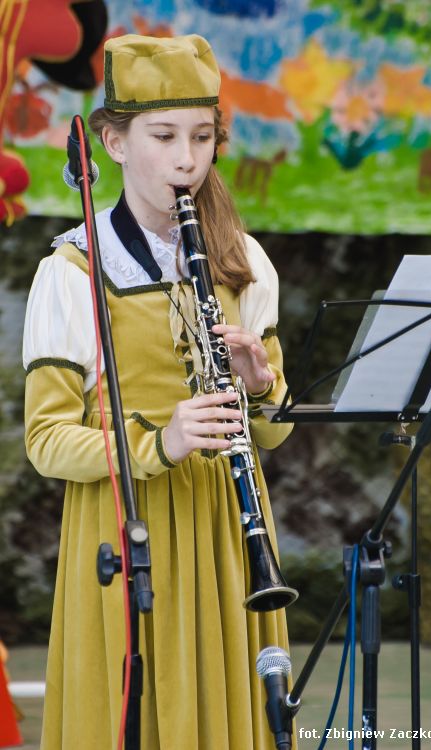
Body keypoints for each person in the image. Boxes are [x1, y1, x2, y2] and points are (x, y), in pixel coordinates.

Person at [23, 33, 296, 749]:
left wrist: (261, 388)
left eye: (202, 137)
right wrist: (159, 442)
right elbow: (46, 441)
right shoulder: (74, 270)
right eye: (165, 136)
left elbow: (275, 431)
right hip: (126, 526)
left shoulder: (243, 260)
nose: (187, 159)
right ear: (113, 143)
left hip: (230, 529)